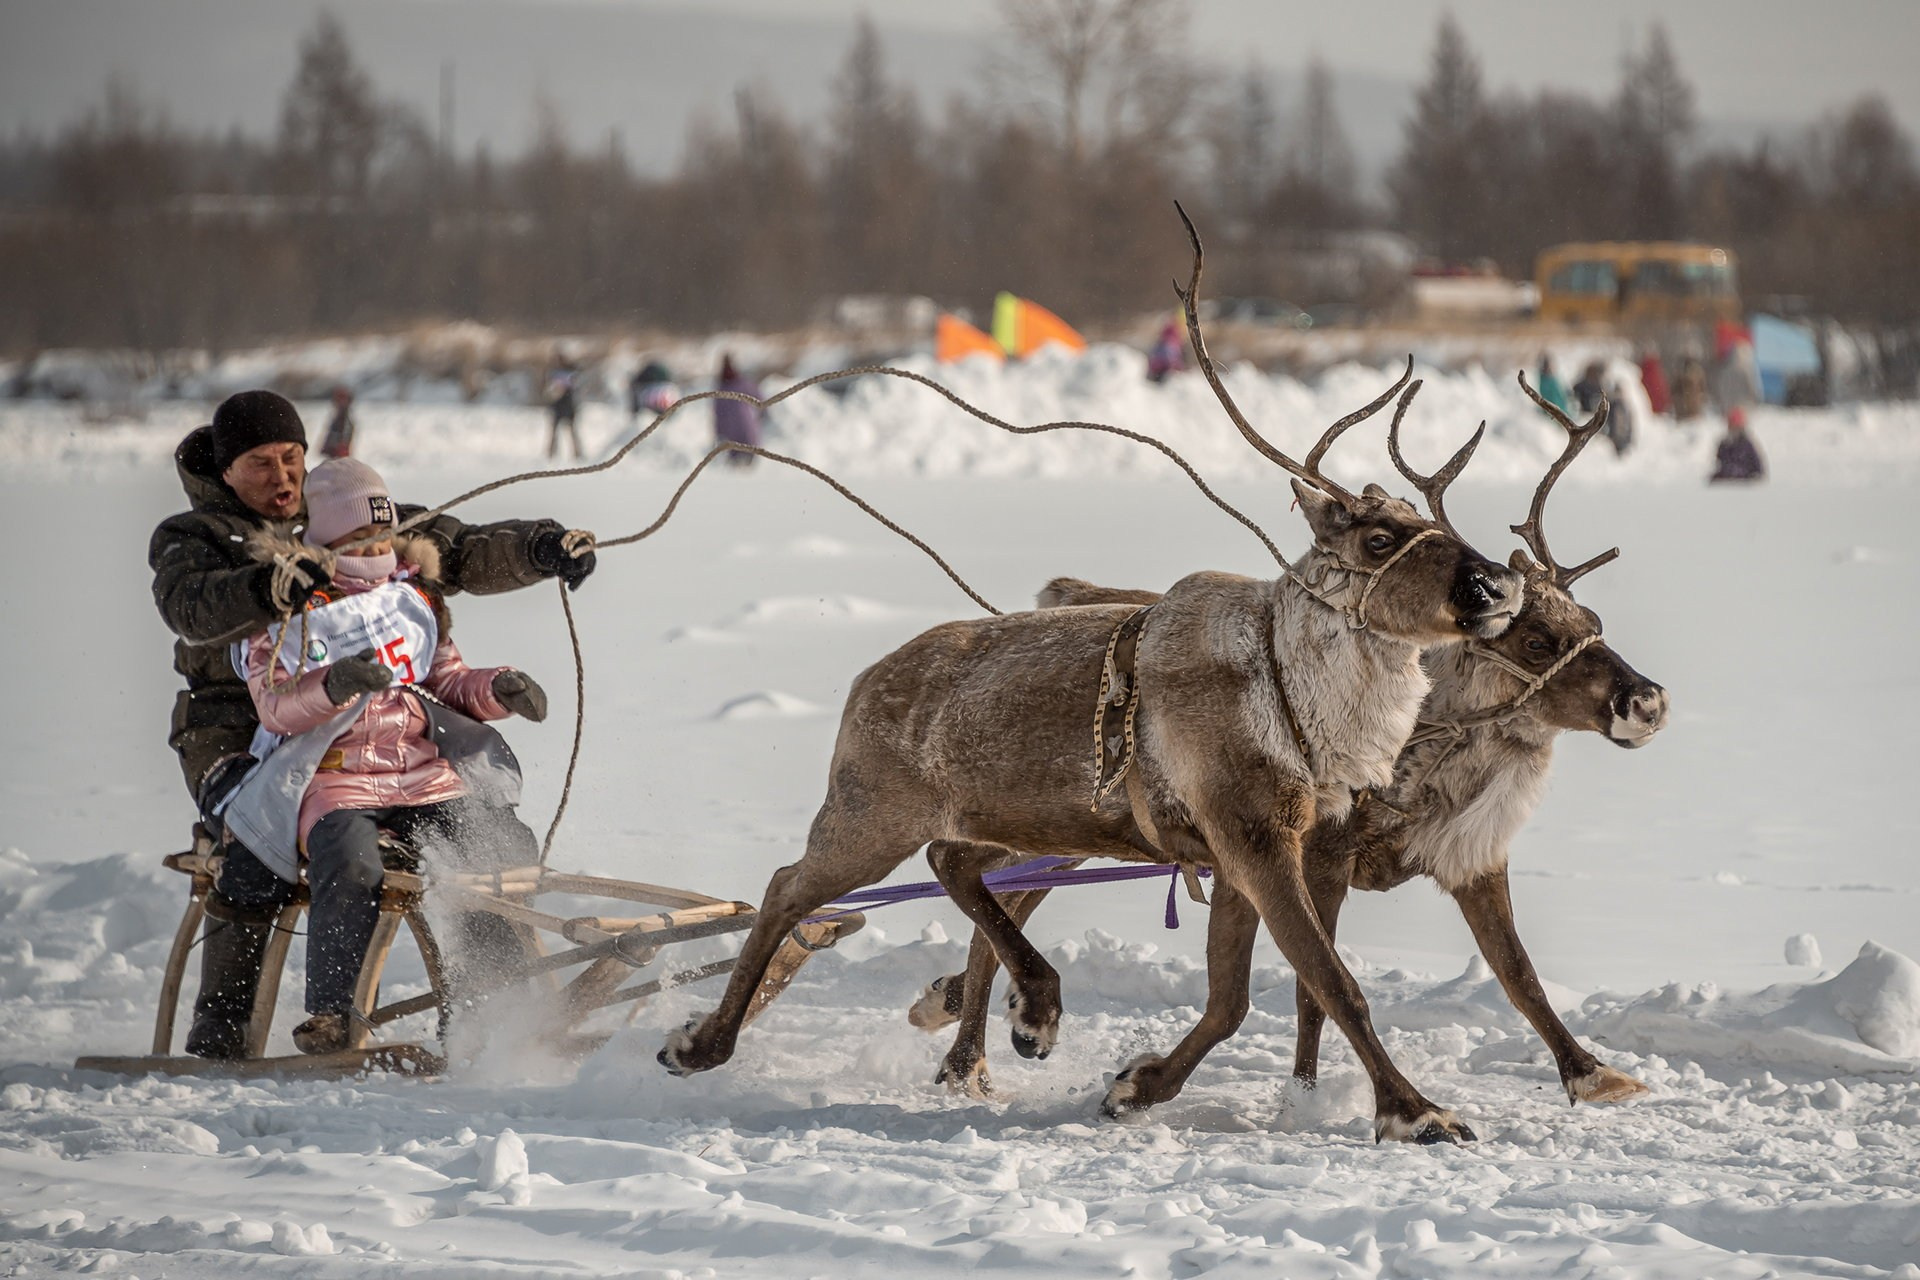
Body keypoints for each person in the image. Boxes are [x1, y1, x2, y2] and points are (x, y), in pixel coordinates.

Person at [149, 388, 597, 1059]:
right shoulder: (201, 539)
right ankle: (225, 1019)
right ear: (227, 469)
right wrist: (266, 591)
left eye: (292, 458)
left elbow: (460, 548)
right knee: (252, 848)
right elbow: (192, 606)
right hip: (238, 730)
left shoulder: (342, 513)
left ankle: (493, 1004)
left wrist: (542, 548)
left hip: (383, 740)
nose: (283, 478)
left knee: (482, 836)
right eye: (262, 464)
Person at [221, 458, 547, 1054]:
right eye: (356, 537)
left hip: (420, 773)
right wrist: (333, 685)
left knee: (496, 848)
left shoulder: (410, 594)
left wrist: (497, 690)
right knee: (350, 865)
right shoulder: (288, 601)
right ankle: (331, 1012)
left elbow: (445, 681)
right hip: (333, 779)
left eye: (378, 532)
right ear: (324, 534)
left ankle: (492, 999)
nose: (371, 546)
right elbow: (274, 709)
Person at [712, 354, 762, 467]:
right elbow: (718, 411)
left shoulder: (740, 384)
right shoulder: (723, 387)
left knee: (746, 454)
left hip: (743, 425)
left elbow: (759, 398)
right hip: (735, 428)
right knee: (737, 459)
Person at [1710, 406, 1766, 483]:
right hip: (1727, 479)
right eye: (1731, 426)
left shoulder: (1746, 445)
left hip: (1743, 479)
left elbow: (1756, 466)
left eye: (1735, 426)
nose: (1732, 429)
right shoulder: (1724, 444)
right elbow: (1720, 462)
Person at [547, 358, 582, 459]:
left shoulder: (566, 374)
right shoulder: (557, 373)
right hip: (560, 407)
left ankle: (577, 452)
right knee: (555, 433)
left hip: (566, 407)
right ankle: (552, 452)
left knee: (571, 433)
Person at [320, 385, 356, 459]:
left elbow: (345, 435)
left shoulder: (344, 418)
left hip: (338, 454)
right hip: (334, 453)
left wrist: (339, 448)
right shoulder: (338, 416)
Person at [1637, 348, 1671, 416]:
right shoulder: (1657, 371)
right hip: (1657, 408)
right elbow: (1662, 390)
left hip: (1647, 409)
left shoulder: (1644, 371)